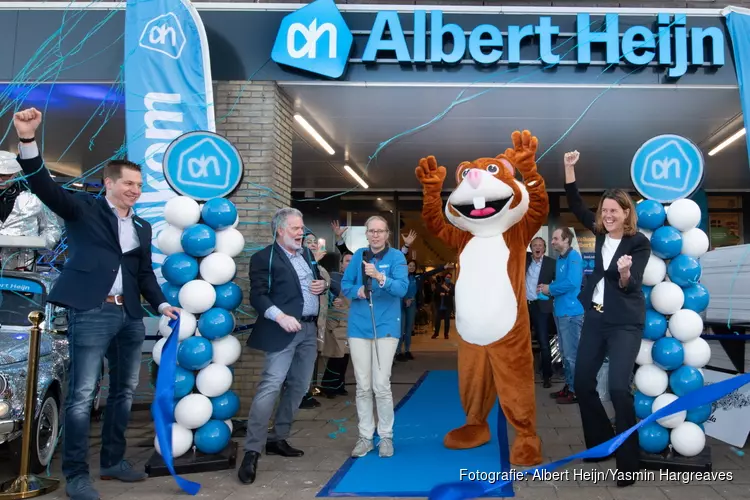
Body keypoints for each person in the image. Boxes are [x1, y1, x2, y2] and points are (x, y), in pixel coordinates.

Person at [12, 107, 180, 500]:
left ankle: (112, 461)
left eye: (139, 185)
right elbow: (42, 185)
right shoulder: (82, 208)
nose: (135, 190)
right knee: (82, 396)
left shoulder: (142, 225)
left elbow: (143, 274)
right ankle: (76, 476)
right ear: (108, 183)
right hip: (91, 310)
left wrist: (162, 305)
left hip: (130, 314)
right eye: (129, 184)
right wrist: (27, 139)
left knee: (123, 393)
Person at [563, 150, 650, 487]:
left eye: (615, 210)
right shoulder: (599, 233)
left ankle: (629, 462)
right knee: (582, 383)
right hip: (597, 319)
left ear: (627, 213)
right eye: (605, 210)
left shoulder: (638, 243)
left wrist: (625, 273)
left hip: (625, 323)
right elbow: (574, 203)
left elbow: (632, 284)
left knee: (617, 388)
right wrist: (570, 170)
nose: (608, 215)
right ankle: (602, 445)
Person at [239, 207, 329, 485]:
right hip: (282, 330)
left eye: (302, 228)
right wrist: (279, 316)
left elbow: (316, 285)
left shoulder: (307, 256)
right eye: (295, 228)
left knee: (300, 387)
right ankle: (252, 450)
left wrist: (322, 286)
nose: (301, 233)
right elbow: (257, 296)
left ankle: (278, 438)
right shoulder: (263, 258)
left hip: (309, 329)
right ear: (280, 230)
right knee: (271, 385)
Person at [341, 215, 408, 458]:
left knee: (381, 385)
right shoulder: (358, 255)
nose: (376, 235)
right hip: (359, 327)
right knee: (362, 386)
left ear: (387, 234)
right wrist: (357, 290)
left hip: (386, 328)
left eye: (380, 231)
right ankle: (365, 437)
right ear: (367, 234)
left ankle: (386, 437)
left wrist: (380, 277)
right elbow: (345, 284)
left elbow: (402, 288)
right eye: (371, 231)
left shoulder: (397, 257)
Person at [538, 227, 585, 404]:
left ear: (566, 240)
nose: (552, 242)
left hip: (570, 313)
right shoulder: (560, 259)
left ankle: (576, 391)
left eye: (556, 238)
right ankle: (570, 386)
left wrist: (550, 288)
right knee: (566, 353)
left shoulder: (574, 258)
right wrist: (547, 290)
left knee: (571, 355)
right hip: (561, 311)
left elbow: (572, 283)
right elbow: (560, 283)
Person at [0, 150, 61, 270]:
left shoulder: (35, 196)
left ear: (15, 173)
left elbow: (52, 229)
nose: (1, 179)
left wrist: (36, 244)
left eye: (5, 175)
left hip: (22, 266)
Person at [396, 258, 453, 361]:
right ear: (406, 267)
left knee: (409, 329)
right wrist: (404, 299)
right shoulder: (401, 277)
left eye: (413, 266)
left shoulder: (418, 278)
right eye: (410, 265)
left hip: (412, 305)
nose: (412, 267)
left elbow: (430, 273)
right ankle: (398, 352)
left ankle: (407, 351)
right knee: (401, 329)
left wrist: (443, 267)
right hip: (401, 304)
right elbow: (397, 289)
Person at [298, 230, 330, 409]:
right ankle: (301, 394)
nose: (312, 244)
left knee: (312, 357)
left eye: (314, 241)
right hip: (302, 320)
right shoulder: (299, 264)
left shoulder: (320, 267)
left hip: (318, 319)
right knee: (302, 359)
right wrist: (313, 262)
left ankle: (309, 390)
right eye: (308, 241)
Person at [319, 250, 353, 398]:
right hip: (336, 323)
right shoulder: (334, 278)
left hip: (350, 322)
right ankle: (328, 386)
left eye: (352, 261)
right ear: (341, 265)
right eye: (347, 261)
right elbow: (325, 294)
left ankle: (339, 385)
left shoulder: (357, 280)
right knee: (336, 355)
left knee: (345, 356)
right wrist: (334, 300)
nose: (350, 264)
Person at [526, 237, 556, 388]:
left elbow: (557, 284)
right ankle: (522, 374)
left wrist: (548, 290)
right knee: (521, 342)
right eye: (534, 245)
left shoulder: (551, 263)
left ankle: (547, 376)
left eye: (540, 245)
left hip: (542, 307)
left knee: (544, 342)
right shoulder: (525, 260)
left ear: (544, 248)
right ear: (531, 248)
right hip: (525, 306)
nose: (537, 247)